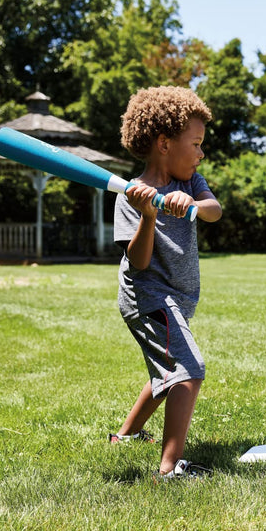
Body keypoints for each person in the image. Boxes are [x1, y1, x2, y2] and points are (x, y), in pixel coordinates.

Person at [110, 86, 222, 479]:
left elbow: (214, 210)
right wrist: (149, 215)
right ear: (163, 143)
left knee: (168, 370)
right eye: (195, 144)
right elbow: (138, 261)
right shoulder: (129, 197)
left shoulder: (191, 182)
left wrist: (192, 204)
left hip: (178, 296)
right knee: (188, 370)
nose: (201, 153)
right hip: (148, 297)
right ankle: (170, 468)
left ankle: (124, 436)